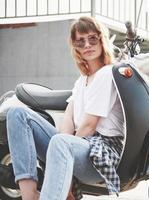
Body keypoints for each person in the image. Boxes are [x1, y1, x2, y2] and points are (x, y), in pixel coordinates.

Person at [6, 16, 125, 200]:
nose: (87, 44)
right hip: (78, 147)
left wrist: (67, 170)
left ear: (102, 40)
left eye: (92, 38)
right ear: (75, 47)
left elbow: (89, 126)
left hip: (100, 153)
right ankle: (29, 195)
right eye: (80, 41)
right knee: (17, 114)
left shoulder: (107, 74)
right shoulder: (82, 81)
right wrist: (62, 148)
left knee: (61, 142)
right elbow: (67, 126)